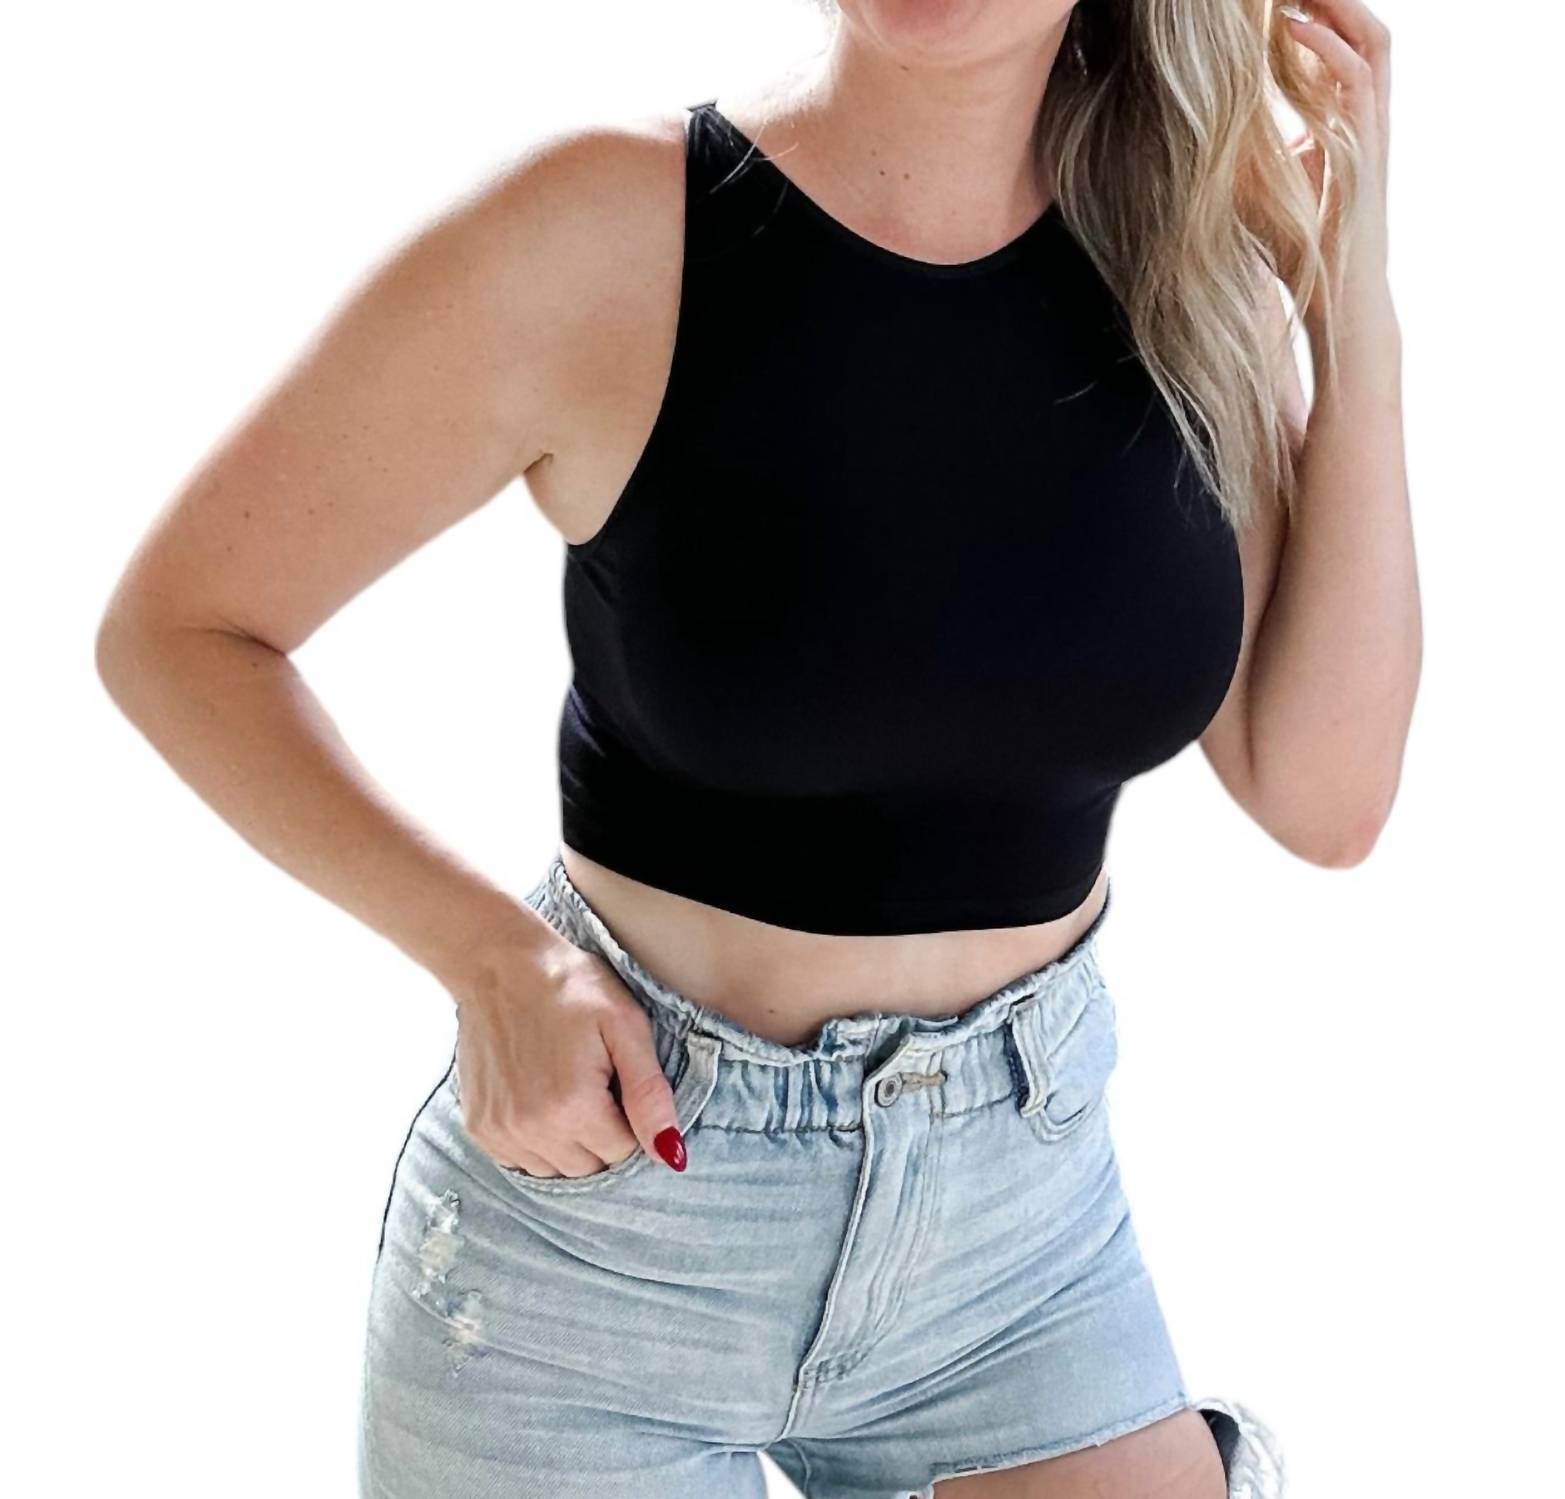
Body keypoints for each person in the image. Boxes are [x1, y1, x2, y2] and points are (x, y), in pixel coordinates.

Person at [95, 1, 1414, 1495]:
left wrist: (1350, 313)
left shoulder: (1190, 290)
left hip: (1021, 1236)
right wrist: (493, 960)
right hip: (612, 1225)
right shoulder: (608, 230)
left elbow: (1323, 796)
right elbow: (182, 629)